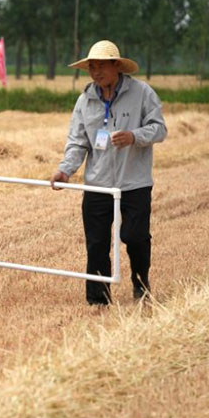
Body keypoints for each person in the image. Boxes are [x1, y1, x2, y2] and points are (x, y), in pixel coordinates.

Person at [50, 40, 167, 305]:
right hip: (98, 185)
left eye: (101, 66)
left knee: (135, 237)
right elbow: (78, 142)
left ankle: (140, 283)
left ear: (117, 65)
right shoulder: (85, 100)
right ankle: (98, 300)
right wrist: (65, 170)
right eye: (91, 67)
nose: (95, 72)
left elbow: (160, 129)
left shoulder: (142, 93)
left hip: (134, 182)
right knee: (96, 243)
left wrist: (134, 136)